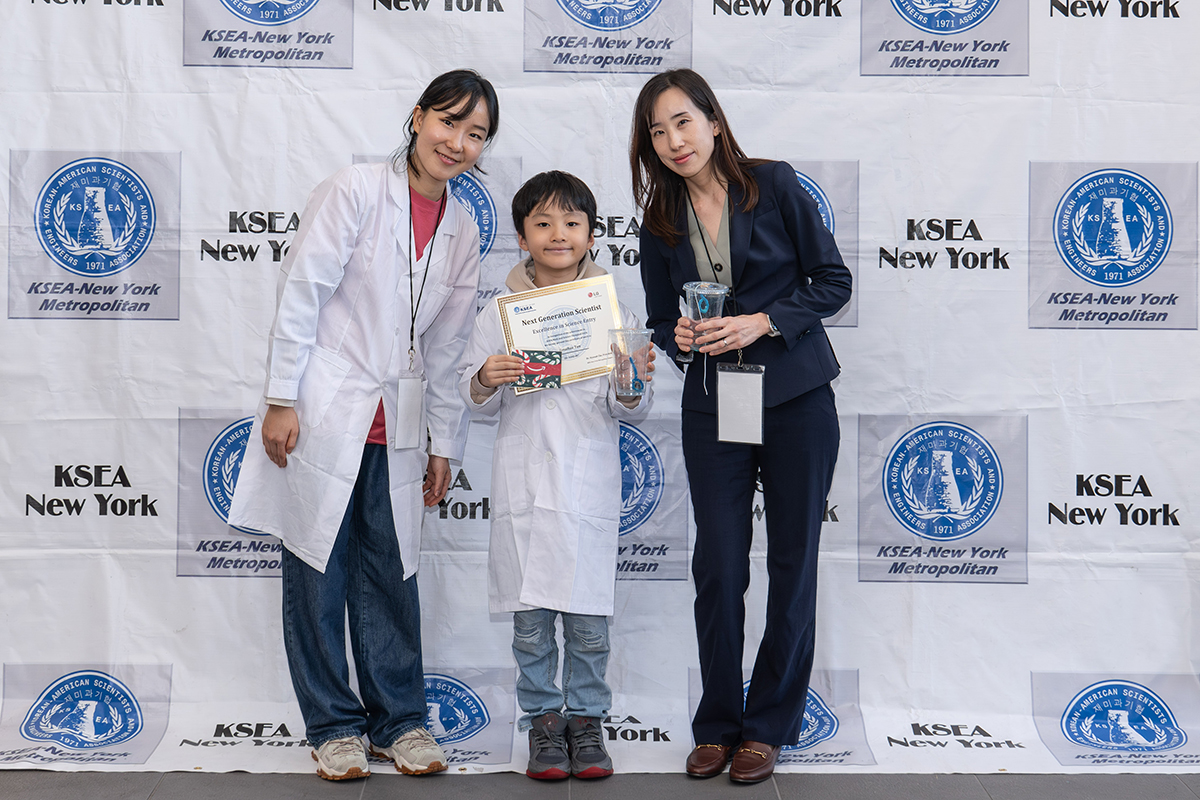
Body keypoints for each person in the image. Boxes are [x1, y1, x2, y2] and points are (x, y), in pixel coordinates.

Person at [228, 69, 499, 782]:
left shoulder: (464, 229)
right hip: (326, 406)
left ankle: (399, 722)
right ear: (417, 117)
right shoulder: (354, 190)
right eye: (448, 122)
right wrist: (281, 397)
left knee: (391, 572)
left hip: (399, 421)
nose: (457, 142)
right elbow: (303, 292)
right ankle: (333, 727)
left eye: (475, 134)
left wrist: (445, 443)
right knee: (317, 568)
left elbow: (447, 347)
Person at [630, 69, 851, 784]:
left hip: (796, 398)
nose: (674, 141)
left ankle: (770, 725)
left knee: (793, 562)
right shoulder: (659, 220)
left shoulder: (773, 183)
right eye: (658, 132)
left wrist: (763, 321)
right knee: (719, 565)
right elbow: (660, 318)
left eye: (683, 122)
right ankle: (718, 724)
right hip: (714, 404)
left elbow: (833, 281)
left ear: (714, 122)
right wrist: (678, 340)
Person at [458, 171, 654, 781]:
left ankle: (587, 721)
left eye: (572, 223)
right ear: (521, 237)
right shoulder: (499, 314)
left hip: (583, 482)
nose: (558, 234)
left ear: (592, 234)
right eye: (542, 223)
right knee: (531, 628)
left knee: (589, 627)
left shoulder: (612, 309)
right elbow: (473, 397)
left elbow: (630, 406)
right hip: (523, 484)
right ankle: (543, 722)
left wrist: (630, 380)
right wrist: (486, 376)